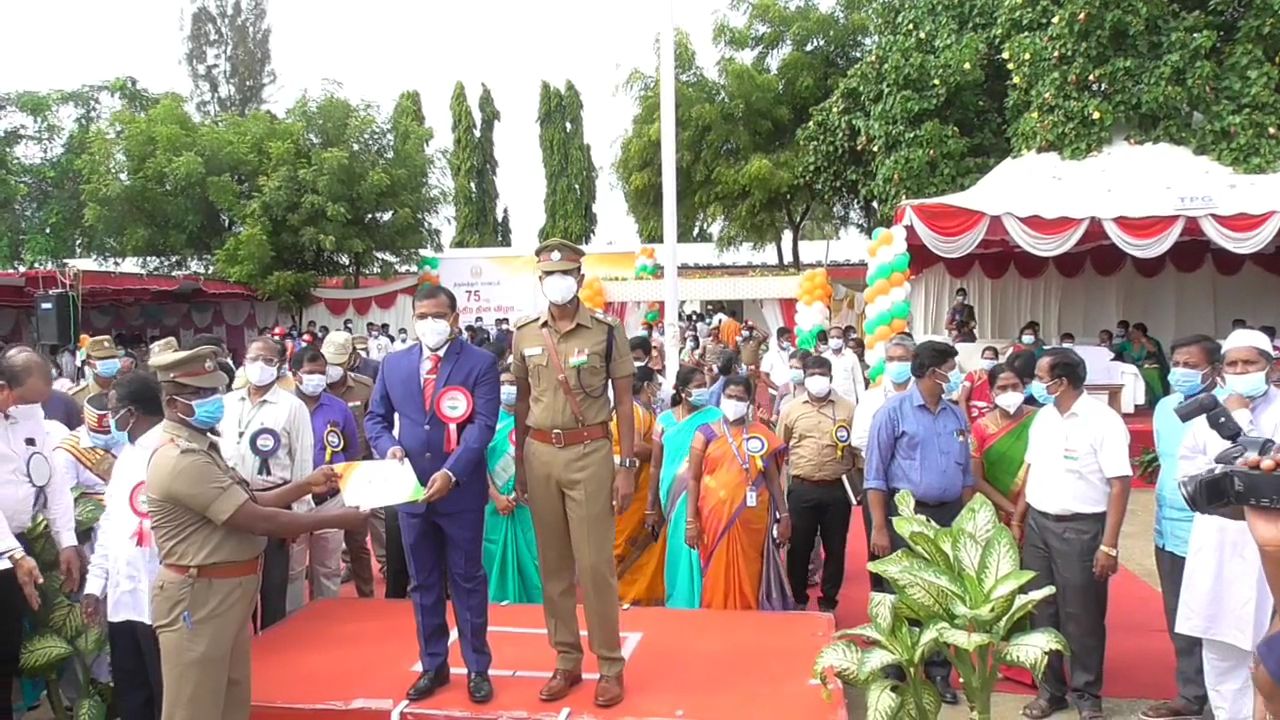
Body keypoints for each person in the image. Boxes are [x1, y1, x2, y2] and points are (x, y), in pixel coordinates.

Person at [145, 347, 366, 720]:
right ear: (172, 401)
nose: (213, 401)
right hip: (198, 597)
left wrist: (303, 485)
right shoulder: (180, 458)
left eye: (215, 391)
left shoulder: (203, 447)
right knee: (194, 707)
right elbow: (255, 518)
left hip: (223, 593)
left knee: (230, 703)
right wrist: (336, 519)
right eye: (200, 395)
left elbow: (249, 497)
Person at [510, 238, 634, 708]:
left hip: (590, 453)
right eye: (548, 276)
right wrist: (520, 460)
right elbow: (522, 400)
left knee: (595, 565)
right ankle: (565, 659)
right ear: (541, 282)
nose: (557, 283)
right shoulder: (524, 333)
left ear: (580, 280)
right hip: (540, 453)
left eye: (564, 275)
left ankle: (609, 665)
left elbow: (624, 400)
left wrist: (626, 466)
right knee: (555, 567)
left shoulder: (605, 331)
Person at [365, 284, 500, 704]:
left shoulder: (480, 363)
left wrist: (452, 472)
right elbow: (375, 418)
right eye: (421, 316)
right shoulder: (394, 365)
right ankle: (434, 665)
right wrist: (388, 446)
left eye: (437, 316)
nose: (429, 324)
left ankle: (477, 667)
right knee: (422, 583)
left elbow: (481, 427)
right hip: (410, 490)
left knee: (466, 579)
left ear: (454, 318)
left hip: (459, 492)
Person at [1013, 348, 1132, 720]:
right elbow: (1031, 470)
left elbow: (1120, 484)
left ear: (1060, 382)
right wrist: (1018, 519)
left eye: (1040, 375)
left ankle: (1087, 695)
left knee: (1082, 615)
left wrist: (1109, 545)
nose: (1035, 382)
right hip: (1038, 526)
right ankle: (1051, 692)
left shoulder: (1103, 420)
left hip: (1081, 528)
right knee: (1041, 611)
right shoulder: (1044, 418)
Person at [1174, 329, 1279, 719]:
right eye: (1232, 364)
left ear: (1271, 367)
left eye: (1249, 363)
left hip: (1268, 546)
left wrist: (1240, 417)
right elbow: (1187, 474)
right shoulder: (1205, 416)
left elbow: (1262, 467)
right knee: (1219, 647)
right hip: (1217, 541)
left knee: (1266, 652)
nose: (1240, 371)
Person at [864, 340, 971, 703]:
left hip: (948, 514)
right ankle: (895, 669)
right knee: (901, 593)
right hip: (906, 515)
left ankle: (938, 673)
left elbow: (967, 473)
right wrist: (880, 526)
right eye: (951, 370)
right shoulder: (892, 413)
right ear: (931, 372)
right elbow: (875, 476)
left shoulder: (956, 414)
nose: (956, 377)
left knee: (941, 595)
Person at [1140, 336, 1219, 720]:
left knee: (1219, 618)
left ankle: (1228, 700)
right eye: (1177, 362)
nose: (1180, 370)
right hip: (1167, 529)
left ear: (1212, 370)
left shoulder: (1227, 410)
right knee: (1180, 617)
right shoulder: (1166, 407)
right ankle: (1190, 695)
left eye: (1191, 363)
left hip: (1213, 529)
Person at [0, 349, 82, 720]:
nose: (29, 411)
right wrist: (15, 554)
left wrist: (66, 540)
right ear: (4, 390)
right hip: (10, 551)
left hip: (16, 547)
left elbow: (54, 485)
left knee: (6, 648)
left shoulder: (35, 420)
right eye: (23, 401)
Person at [83, 371, 168, 720]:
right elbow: (110, 525)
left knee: (166, 693)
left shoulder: (171, 450)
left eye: (114, 409)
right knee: (133, 693)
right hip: (123, 599)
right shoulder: (126, 455)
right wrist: (95, 586)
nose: (109, 417)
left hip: (161, 599)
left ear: (131, 413)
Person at [216, 337, 315, 629]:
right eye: (253, 359)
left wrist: (295, 516)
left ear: (280, 366)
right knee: (235, 583)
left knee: (273, 584)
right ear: (243, 361)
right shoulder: (227, 403)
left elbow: (302, 463)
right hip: (234, 501)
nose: (259, 366)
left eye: (268, 361)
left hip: (276, 498)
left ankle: (273, 643)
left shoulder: (292, 407)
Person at [683, 374, 790, 610]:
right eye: (729, 396)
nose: (734, 401)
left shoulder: (761, 434)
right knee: (714, 571)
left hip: (752, 520)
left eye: (740, 398)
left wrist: (785, 516)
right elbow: (693, 478)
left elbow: (773, 481)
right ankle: (715, 615)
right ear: (721, 397)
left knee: (750, 570)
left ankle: (749, 616)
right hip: (714, 517)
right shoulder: (705, 433)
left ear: (749, 402)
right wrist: (691, 521)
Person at [779, 355, 854, 613]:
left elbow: (855, 450)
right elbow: (780, 449)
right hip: (802, 487)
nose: (816, 379)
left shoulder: (847, 408)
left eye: (821, 373)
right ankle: (798, 599)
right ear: (805, 376)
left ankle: (828, 602)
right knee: (799, 547)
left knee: (836, 548)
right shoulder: (791, 409)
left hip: (836, 488)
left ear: (830, 376)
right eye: (811, 374)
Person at [646, 366, 723, 610]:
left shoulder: (715, 416)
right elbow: (655, 465)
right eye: (698, 385)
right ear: (682, 390)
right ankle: (679, 601)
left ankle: (704, 599)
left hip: (704, 493)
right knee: (678, 546)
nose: (704, 390)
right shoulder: (664, 420)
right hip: (671, 494)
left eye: (705, 384)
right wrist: (651, 506)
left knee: (699, 542)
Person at [291, 348, 359, 603]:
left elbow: (352, 447)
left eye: (321, 373)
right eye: (310, 373)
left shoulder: (338, 407)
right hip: (295, 499)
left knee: (328, 568)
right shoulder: (285, 406)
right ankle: (293, 622)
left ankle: (325, 618)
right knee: (293, 570)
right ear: (295, 374)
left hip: (331, 499)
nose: (317, 379)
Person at [320, 332, 377, 598]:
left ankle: (369, 588)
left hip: (358, 465)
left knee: (361, 531)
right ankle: (341, 572)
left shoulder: (365, 386)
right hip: (322, 471)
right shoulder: (311, 390)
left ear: (351, 359)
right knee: (324, 533)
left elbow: (376, 422)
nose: (332, 369)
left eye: (338, 362)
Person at [484, 367, 542, 604]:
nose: (508, 388)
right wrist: (496, 496)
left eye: (514, 383)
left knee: (532, 553)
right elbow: (477, 461)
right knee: (492, 551)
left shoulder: (534, 420)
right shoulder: (486, 422)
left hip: (528, 500)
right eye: (503, 383)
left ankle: (535, 603)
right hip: (492, 501)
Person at [611, 366, 664, 605]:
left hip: (641, 484)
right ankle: (614, 592)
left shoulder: (645, 411)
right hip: (629, 481)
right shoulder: (633, 411)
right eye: (656, 384)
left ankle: (631, 592)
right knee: (623, 541)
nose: (658, 389)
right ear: (646, 386)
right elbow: (634, 447)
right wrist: (668, 449)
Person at [969, 364, 1035, 520]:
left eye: (1015, 386)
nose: (1010, 392)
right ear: (992, 392)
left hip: (1035, 511)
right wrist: (1013, 512)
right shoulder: (981, 427)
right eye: (1002, 388)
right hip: (996, 511)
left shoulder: (1040, 418)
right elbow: (976, 478)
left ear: (1023, 387)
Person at [51, 393, 123, 508]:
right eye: (99, 432)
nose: (106, 437)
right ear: (84, 420)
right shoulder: (66, 452)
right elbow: (66, 498)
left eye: (110, 432)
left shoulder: (128, 439)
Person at [1118, 322, 1170, 404]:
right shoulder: (1128, 343)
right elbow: (1114, 350)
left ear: (1140, 332)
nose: (1131, 334)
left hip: (1151, 368)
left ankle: (1158, 402)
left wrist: (1143, 340)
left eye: (1133, 332)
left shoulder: (1152, 341)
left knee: (1152, 374)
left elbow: (1153, 350)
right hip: (1134, 368)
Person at [70, 335, 127, 408]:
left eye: (112, 357)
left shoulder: (127, 392)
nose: (108, 362)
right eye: (102, 358)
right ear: (89, 364)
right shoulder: (76, 397)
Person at [822, 325, 866, 404]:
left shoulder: (851, 357)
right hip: (829, 402)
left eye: (838, 337)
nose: (835, 340)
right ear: (828, 339)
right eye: (832, 337)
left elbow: (859, 381)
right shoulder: (824, 357)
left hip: (848, 402)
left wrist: (862, 402)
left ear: (844, 339)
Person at [957, 345, 1000, 424]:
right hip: (973, 419)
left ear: (997, 360)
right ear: (981, 359)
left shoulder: (1000, 377)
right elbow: (962, 398)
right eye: (985, 358)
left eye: (992, 359)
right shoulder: (973, 375)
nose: (988, 361)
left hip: (992, 420)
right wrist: (966, 421)